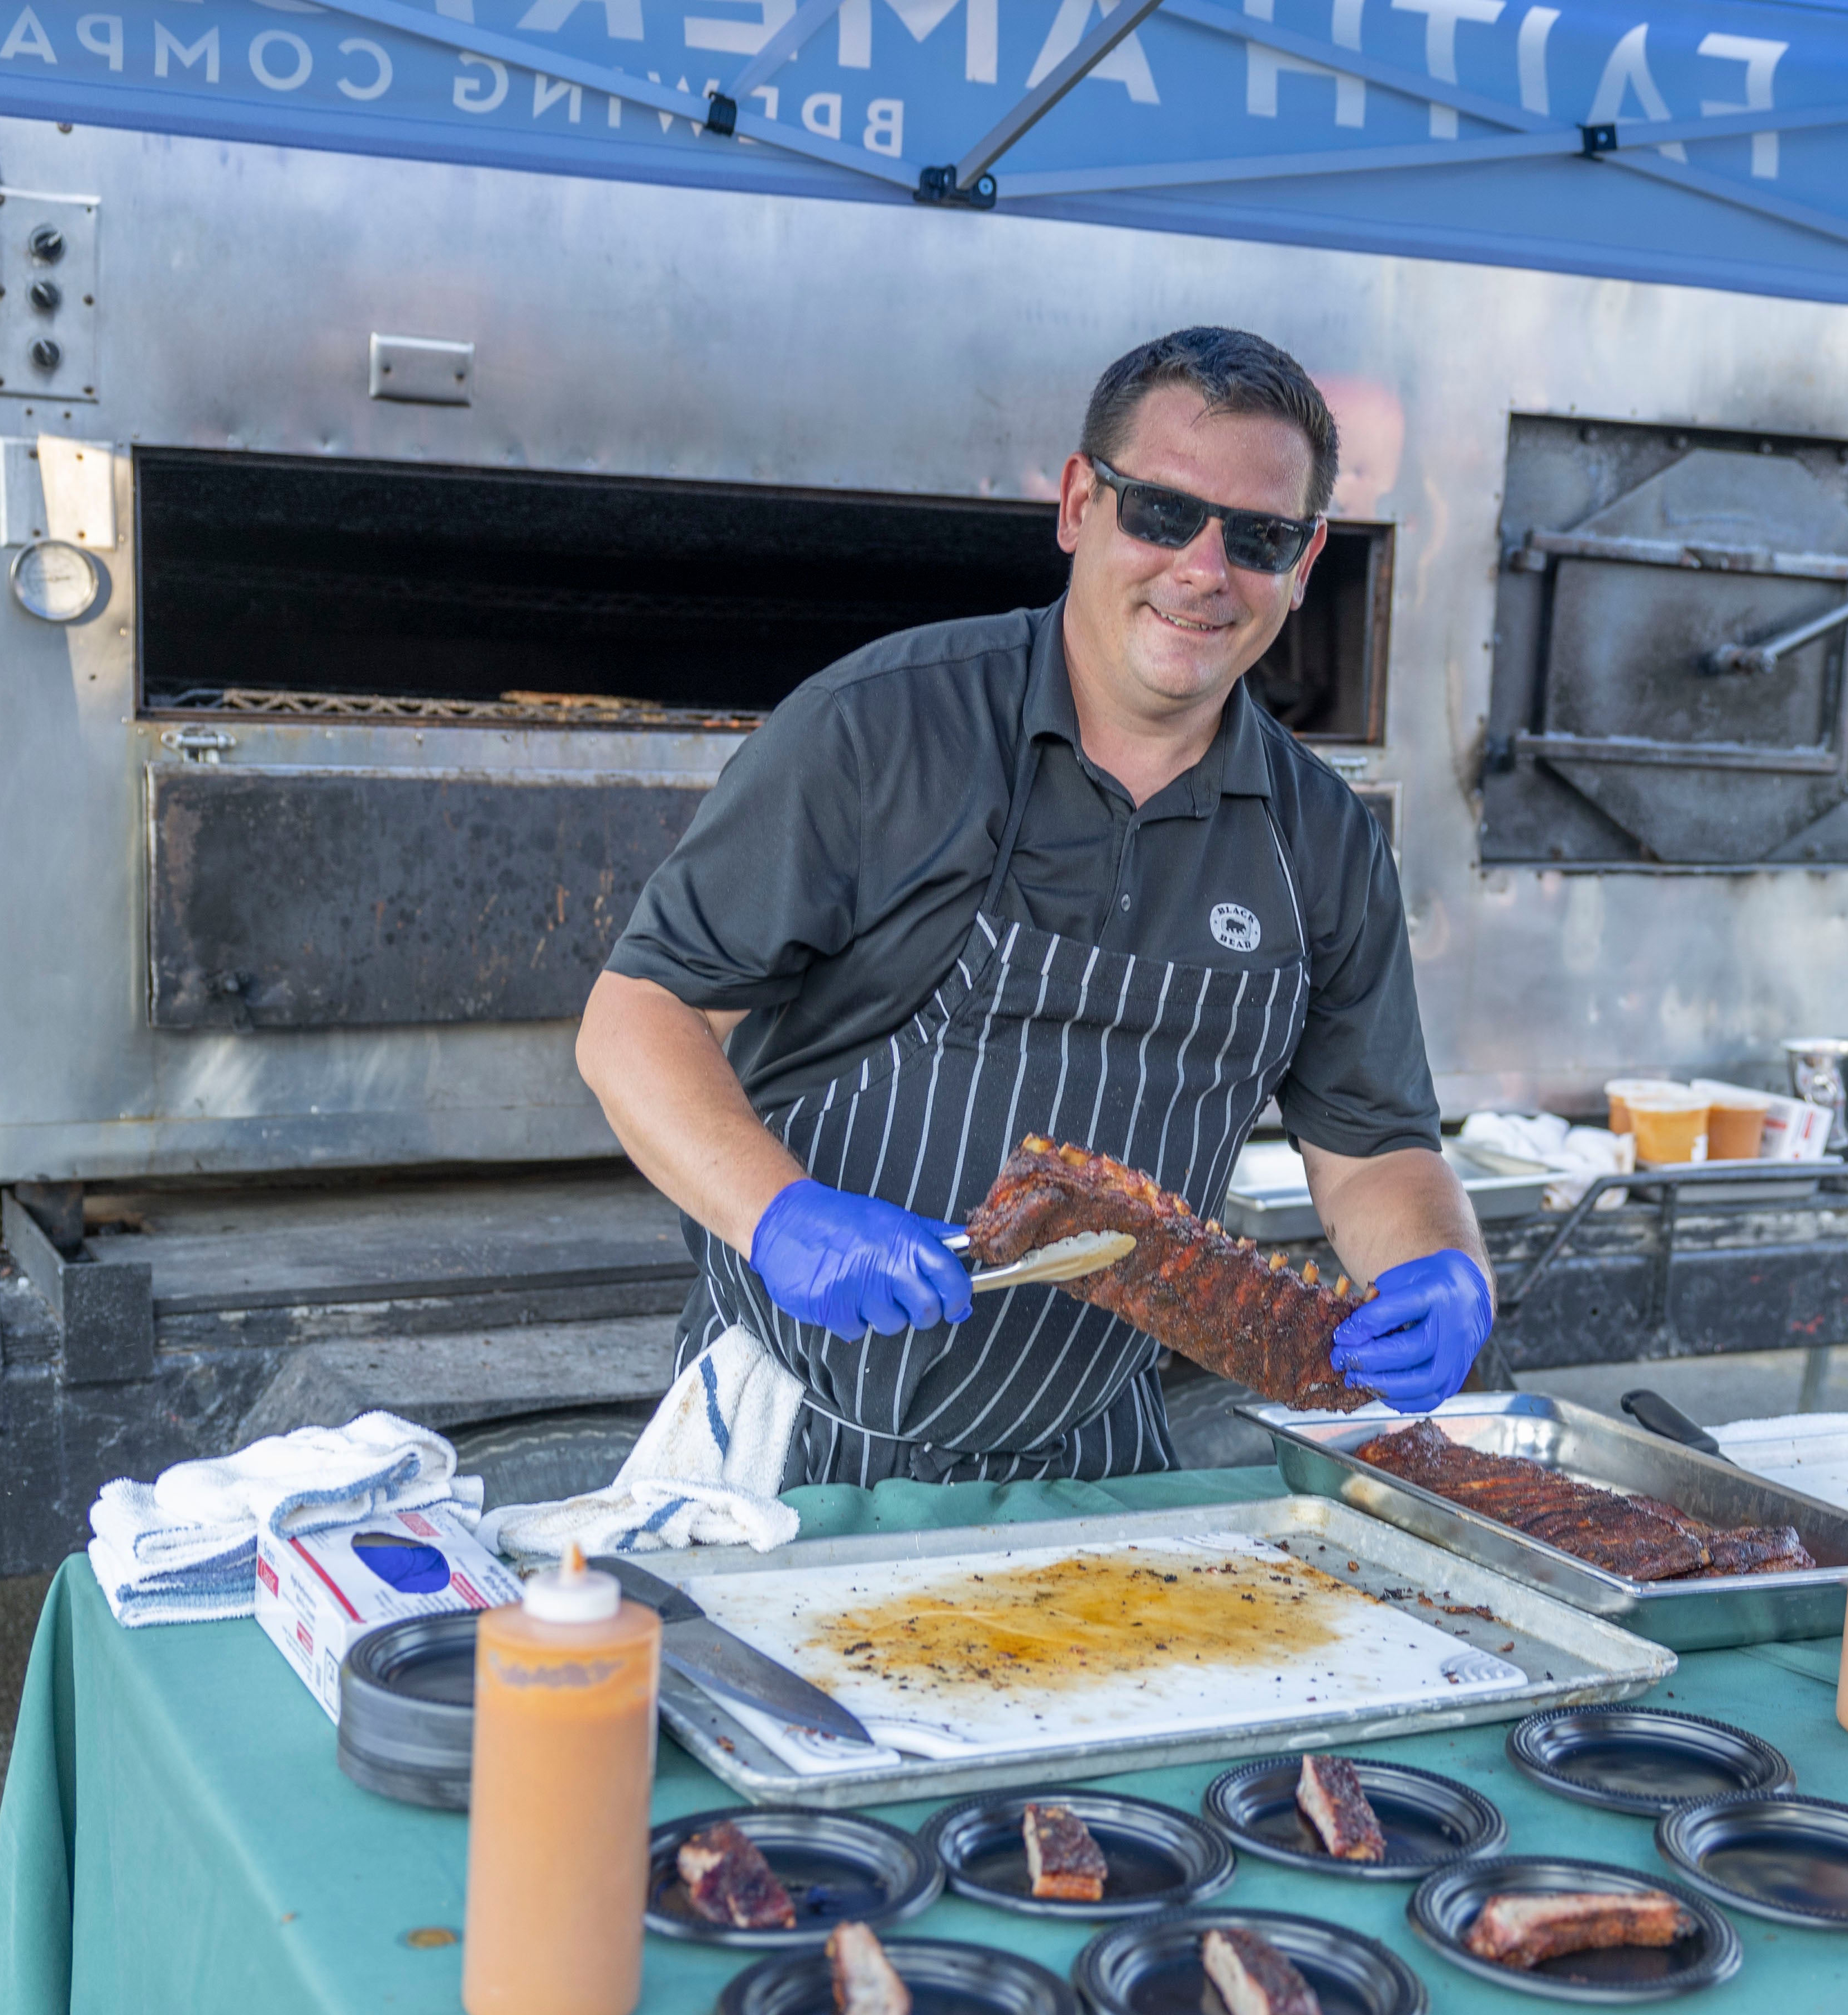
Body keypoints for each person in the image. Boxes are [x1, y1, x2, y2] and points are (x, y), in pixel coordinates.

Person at [577, 326, 1492, 1491]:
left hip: (1094, 1468)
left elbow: (1374, 1154)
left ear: (1306, 560)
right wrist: (782, 1214)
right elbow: (638, 1017)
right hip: (793, 1449)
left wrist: (1442, 1268)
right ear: (1077, 504)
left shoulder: (1324, 844)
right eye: (1163, 512)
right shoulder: (882, 730)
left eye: (1259, 536)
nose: (1204, 570)